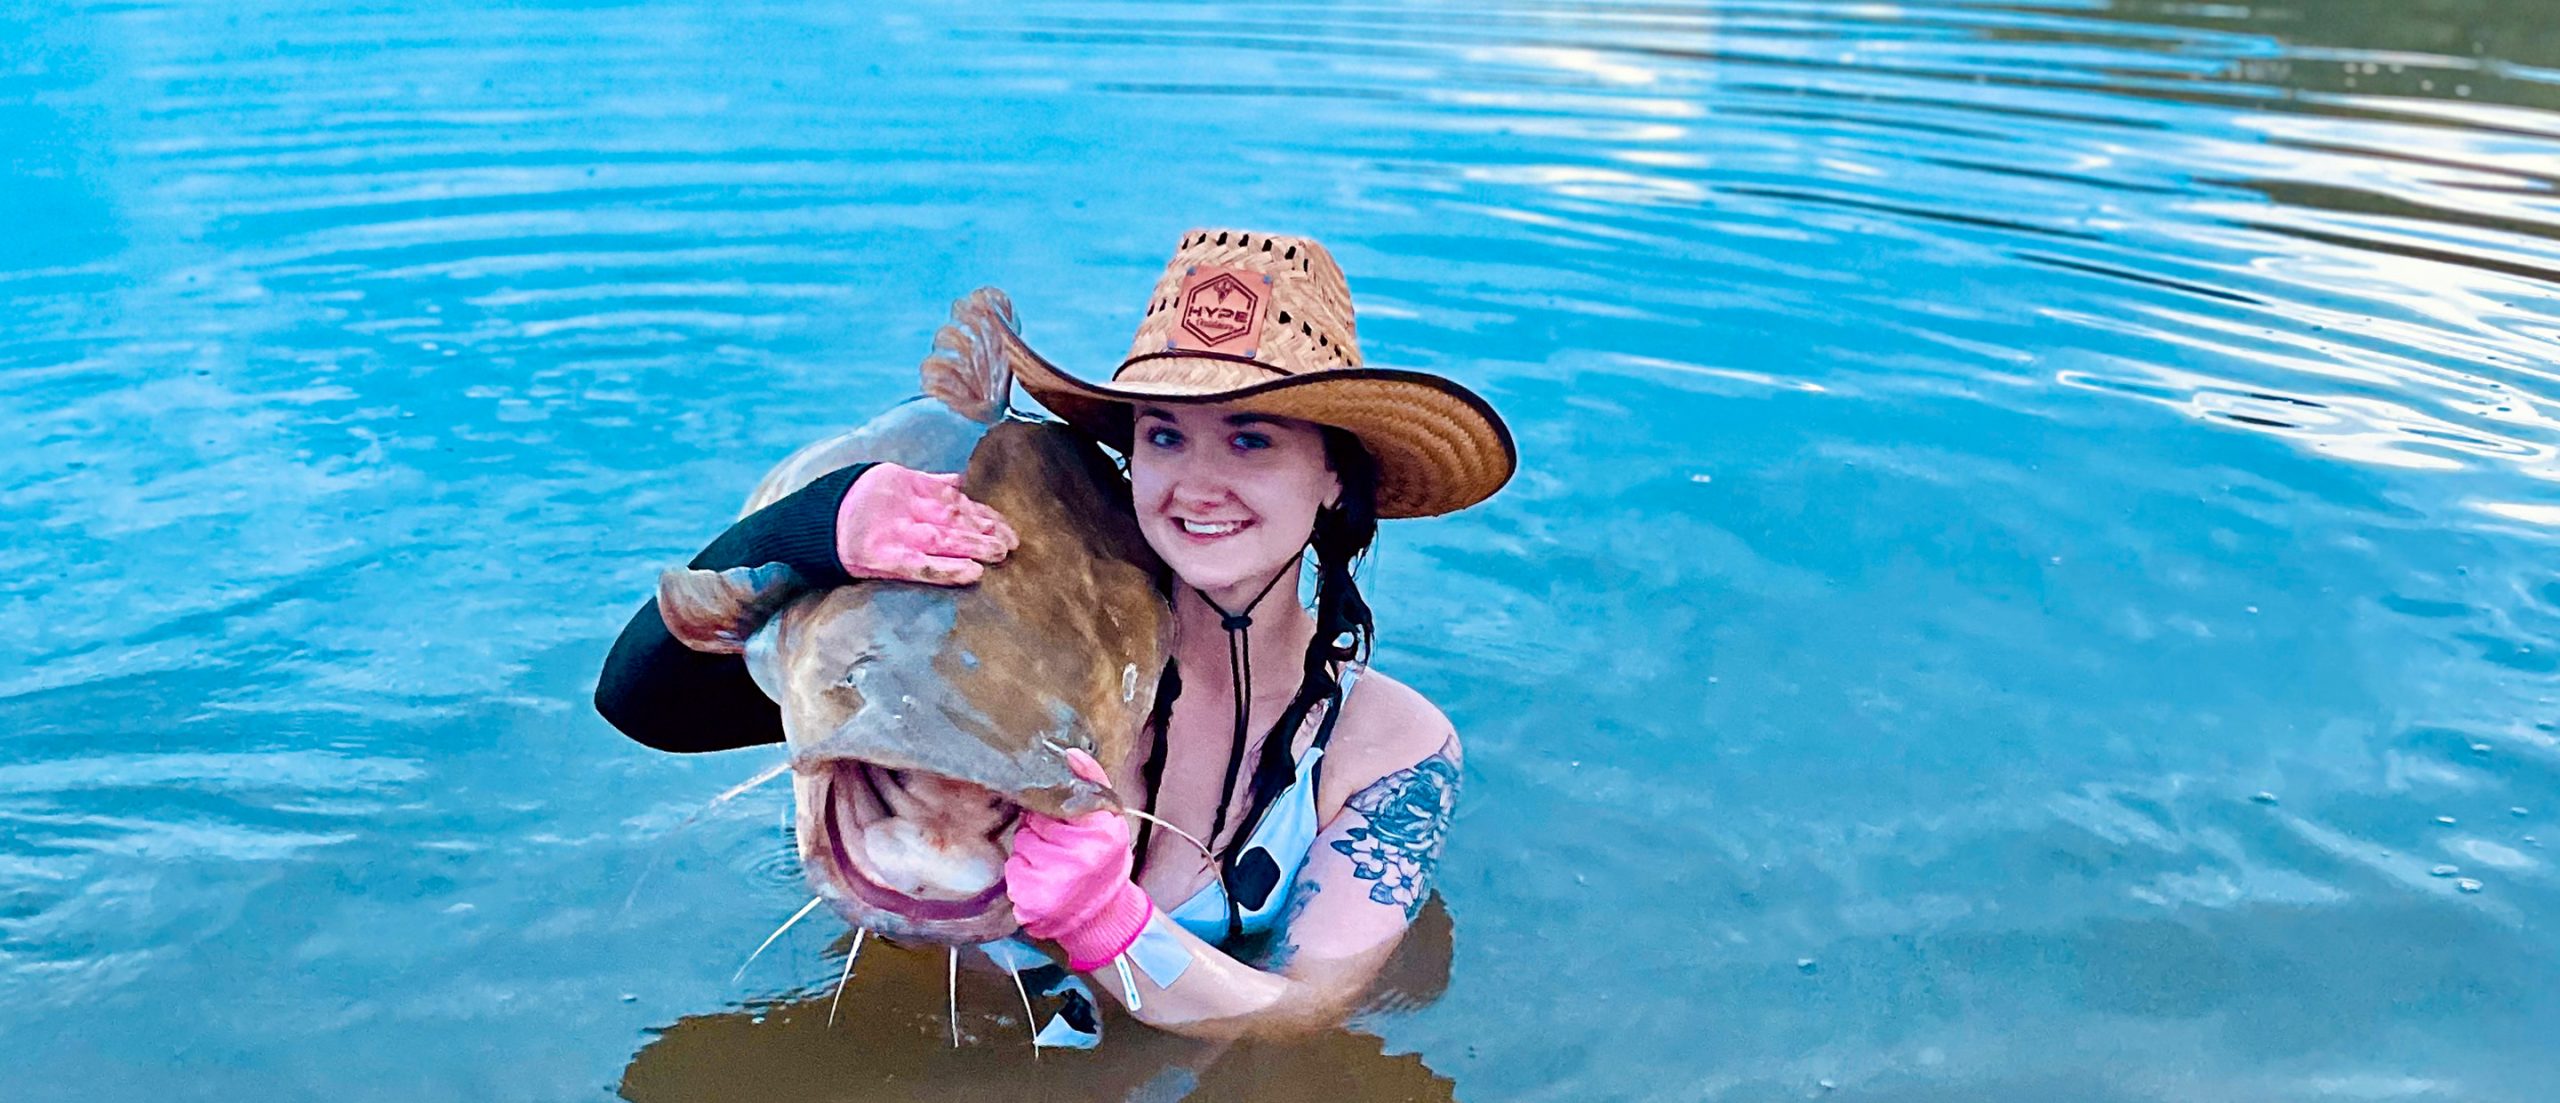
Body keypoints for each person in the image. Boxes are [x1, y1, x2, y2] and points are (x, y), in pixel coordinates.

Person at [596, 229, 1516, 1042]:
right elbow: (649, 705)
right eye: (1163, 436)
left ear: (1334, 478)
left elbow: (1306, 1015)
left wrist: (1111, 927)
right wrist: (809, 525)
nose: (1196, 484)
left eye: (1250, 441)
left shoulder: (1392, 748)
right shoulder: (1029, 629)